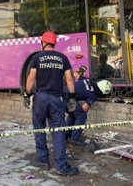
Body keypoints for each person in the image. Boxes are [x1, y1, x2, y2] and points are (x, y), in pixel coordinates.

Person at [23, 31, 79, 176]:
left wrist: (26, 94)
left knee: (39, 129)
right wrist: (72, 97)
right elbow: (69, 79)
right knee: (58, 132)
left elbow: (30, 78)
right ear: (53, 43)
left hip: (40, 99)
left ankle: (43, 161)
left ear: (44, 42)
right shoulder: (62, 58)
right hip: (56, 99)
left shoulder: (37, 57)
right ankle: (61, 166)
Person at [65, 66, 113, 145]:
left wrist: (81, 69)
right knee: (81, 115)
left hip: (63, 93)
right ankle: (75, 139)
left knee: (73, 113)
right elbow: (84, 108)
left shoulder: (88, 80)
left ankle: (67, 134)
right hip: (68, 98)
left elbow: (76, 74)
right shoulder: (94, 95)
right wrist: (88, 104)